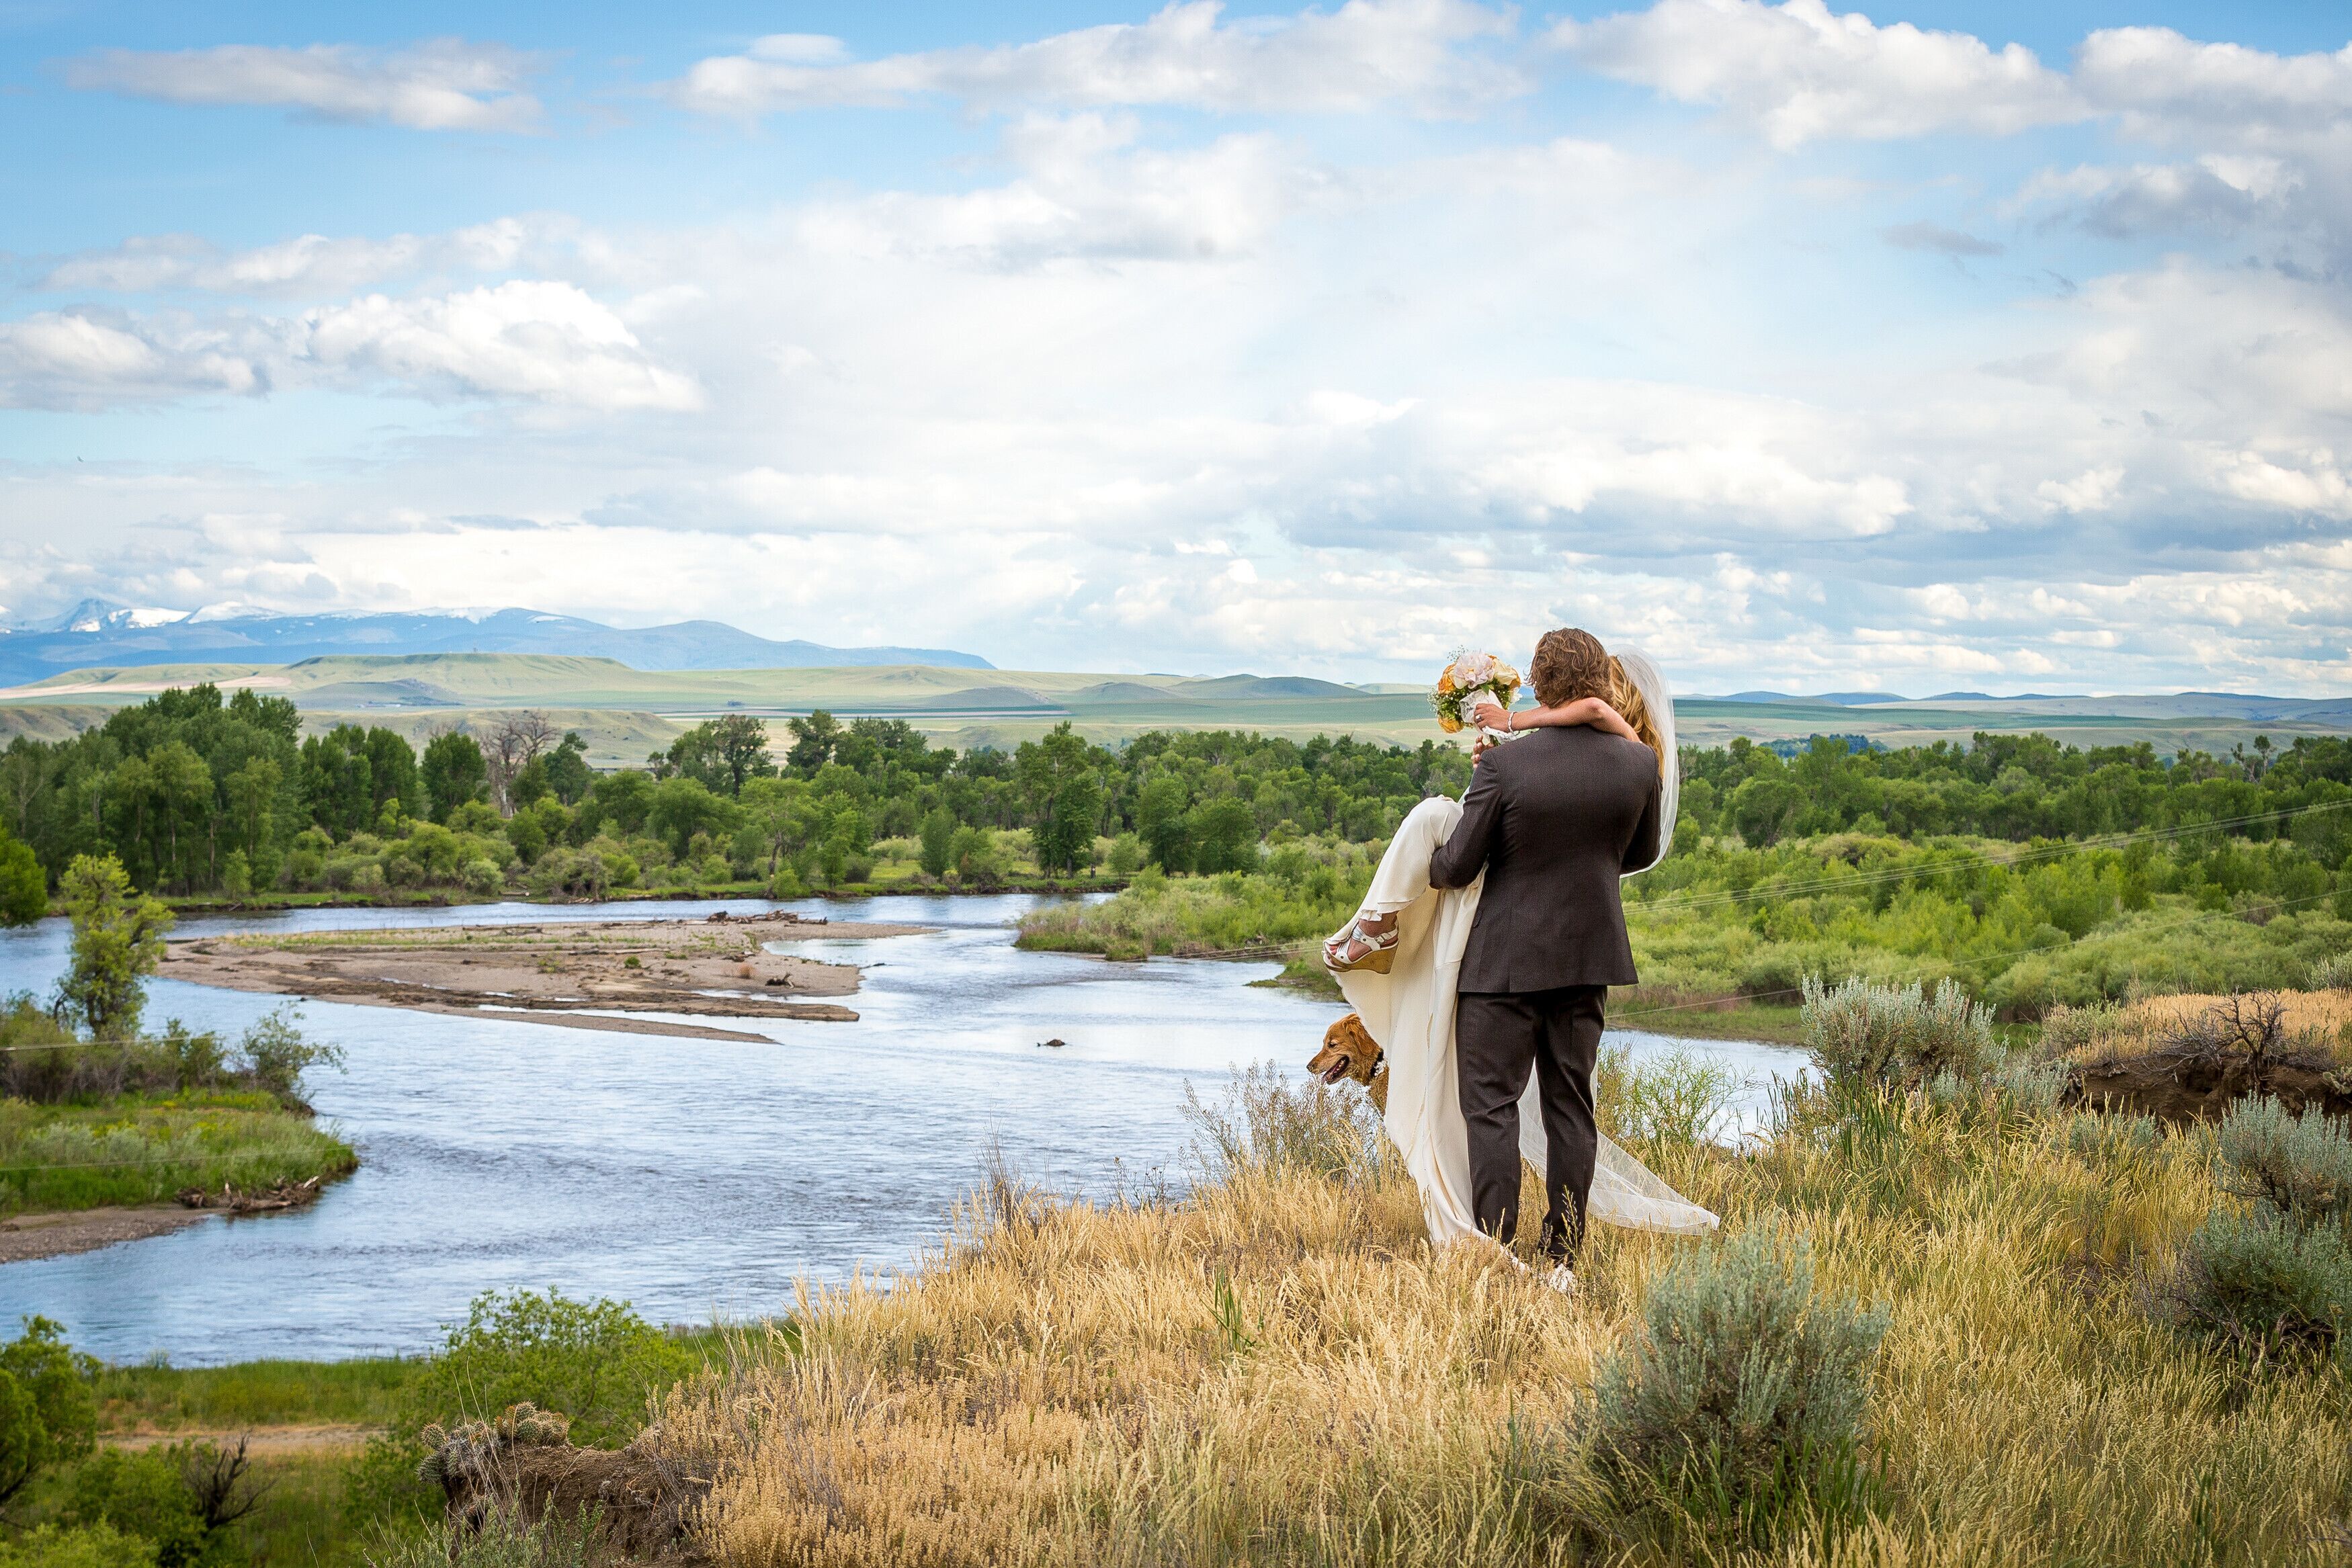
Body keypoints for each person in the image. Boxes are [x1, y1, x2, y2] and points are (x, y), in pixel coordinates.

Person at [1322, 631, 1713, 1292]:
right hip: (1588, 959)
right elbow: (1637, 853)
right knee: (1569, 1107)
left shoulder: (1504, 768)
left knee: (1491, 1108)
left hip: (1499, 964)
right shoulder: (1637, 764)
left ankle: (1493, 1249)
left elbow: (1453, 868)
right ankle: (1561, 1258)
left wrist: (1475, 805)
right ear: (1600, 681)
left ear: (1536, 682)